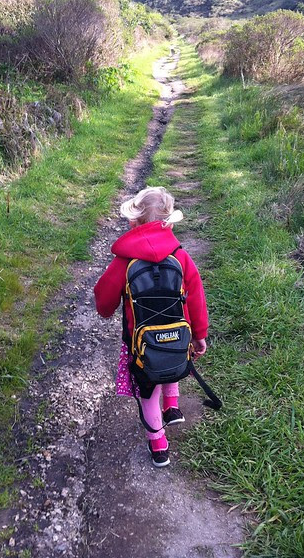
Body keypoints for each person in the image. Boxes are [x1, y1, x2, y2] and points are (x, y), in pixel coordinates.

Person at [94, 186, 208, 467]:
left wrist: (106, 311)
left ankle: (159, 445)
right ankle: (172, 407)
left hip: (140, 343)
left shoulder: (124, 261)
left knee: (148, 389)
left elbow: (104, 301)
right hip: (179, 336)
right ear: (169, 223)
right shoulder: (180, 256)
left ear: (133, 222)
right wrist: (199, 335)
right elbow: (196, 296)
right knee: (171, 356)